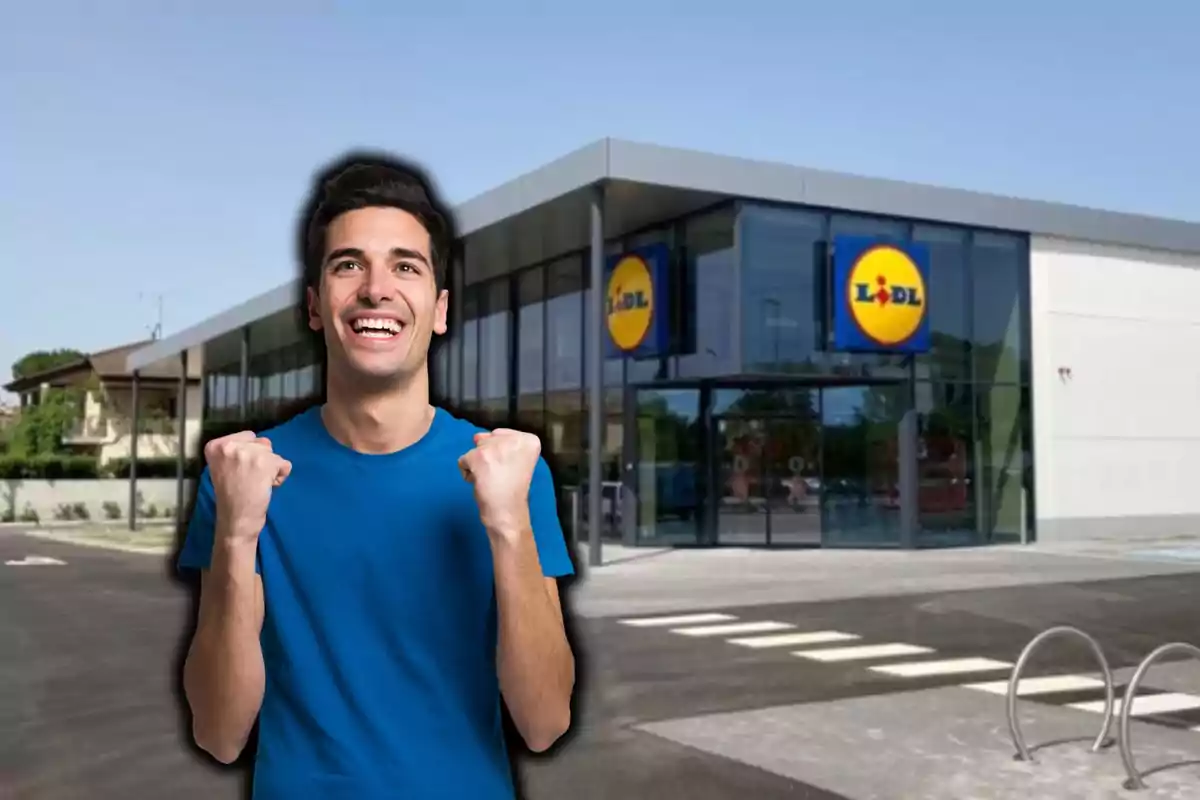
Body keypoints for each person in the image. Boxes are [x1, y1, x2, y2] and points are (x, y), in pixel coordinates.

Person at [177, 153, 577, 799]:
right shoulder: (244, 474)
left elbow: (544, 723)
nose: (375, 289)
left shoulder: (509, 473)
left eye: (405, 266)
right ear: (314, 306)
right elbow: (220, 733)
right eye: (347, 265)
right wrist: (235, 537)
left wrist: (507, 526)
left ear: (439, 308)